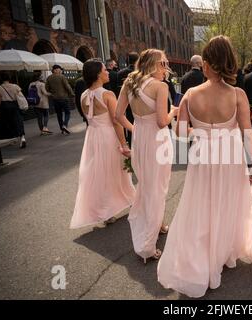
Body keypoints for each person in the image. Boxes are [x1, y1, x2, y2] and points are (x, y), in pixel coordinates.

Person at [158, 35, 252, 298]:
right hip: (230, 156)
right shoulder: (238, 95)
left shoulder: (190, 94)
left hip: (202, 155)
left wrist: (197, 130)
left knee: (201, 203)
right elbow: (248, 134)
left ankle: (202, 253)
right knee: (226, 203)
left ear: (207, 63)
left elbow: (179, 135)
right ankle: (221, 252)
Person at [116, 49, 178, 262]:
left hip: (141, 139)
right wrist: (174, 112)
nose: (165, 68)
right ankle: (148, 246)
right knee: (158, 187)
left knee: (147, 184)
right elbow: (162, 121)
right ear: (152, 64)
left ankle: (158, 223)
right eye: (162, 63)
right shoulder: (160, 87)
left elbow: (118, 115)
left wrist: (136, 130)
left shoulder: (129, 83)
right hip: (158, 141)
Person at [70, 59, 136, 229]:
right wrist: (124, 144)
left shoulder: (84, 94)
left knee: (97, 173)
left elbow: (88, 117)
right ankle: (123, 201)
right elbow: (116, 121)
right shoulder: (107, 94)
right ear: (98, 74)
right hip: (107, 136)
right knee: (114, 170)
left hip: (92, 136)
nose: (108, 72)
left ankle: (108, 210)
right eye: (105, 70)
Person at [0, 73, 27, 148]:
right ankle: (22, 138)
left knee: (7, 123)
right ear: (9, 78)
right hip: (15, 105)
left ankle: (12, 139)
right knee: (18, 121)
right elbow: (21, 97)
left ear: (1, 79)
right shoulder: (15, 86)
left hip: (4, 107)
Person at [117, 52, 140, 144]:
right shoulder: (141, 73)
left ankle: (131, 142)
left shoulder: (120, 73)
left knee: (129, 121)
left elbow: (119, 90)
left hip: (126, 103)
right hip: (140, 103)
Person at [46, 65, 75, 135]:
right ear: (55, 70)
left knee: (59, 114)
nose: (60, 71)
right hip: (64, 98)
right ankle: (65, 125)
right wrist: (72, 94)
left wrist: (53, 92)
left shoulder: (49, 78)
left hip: (55, 99)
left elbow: (47, 88)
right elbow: (67, 86)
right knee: (67, 112)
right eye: (59, 69)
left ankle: (62, 129)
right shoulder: (62, 77)